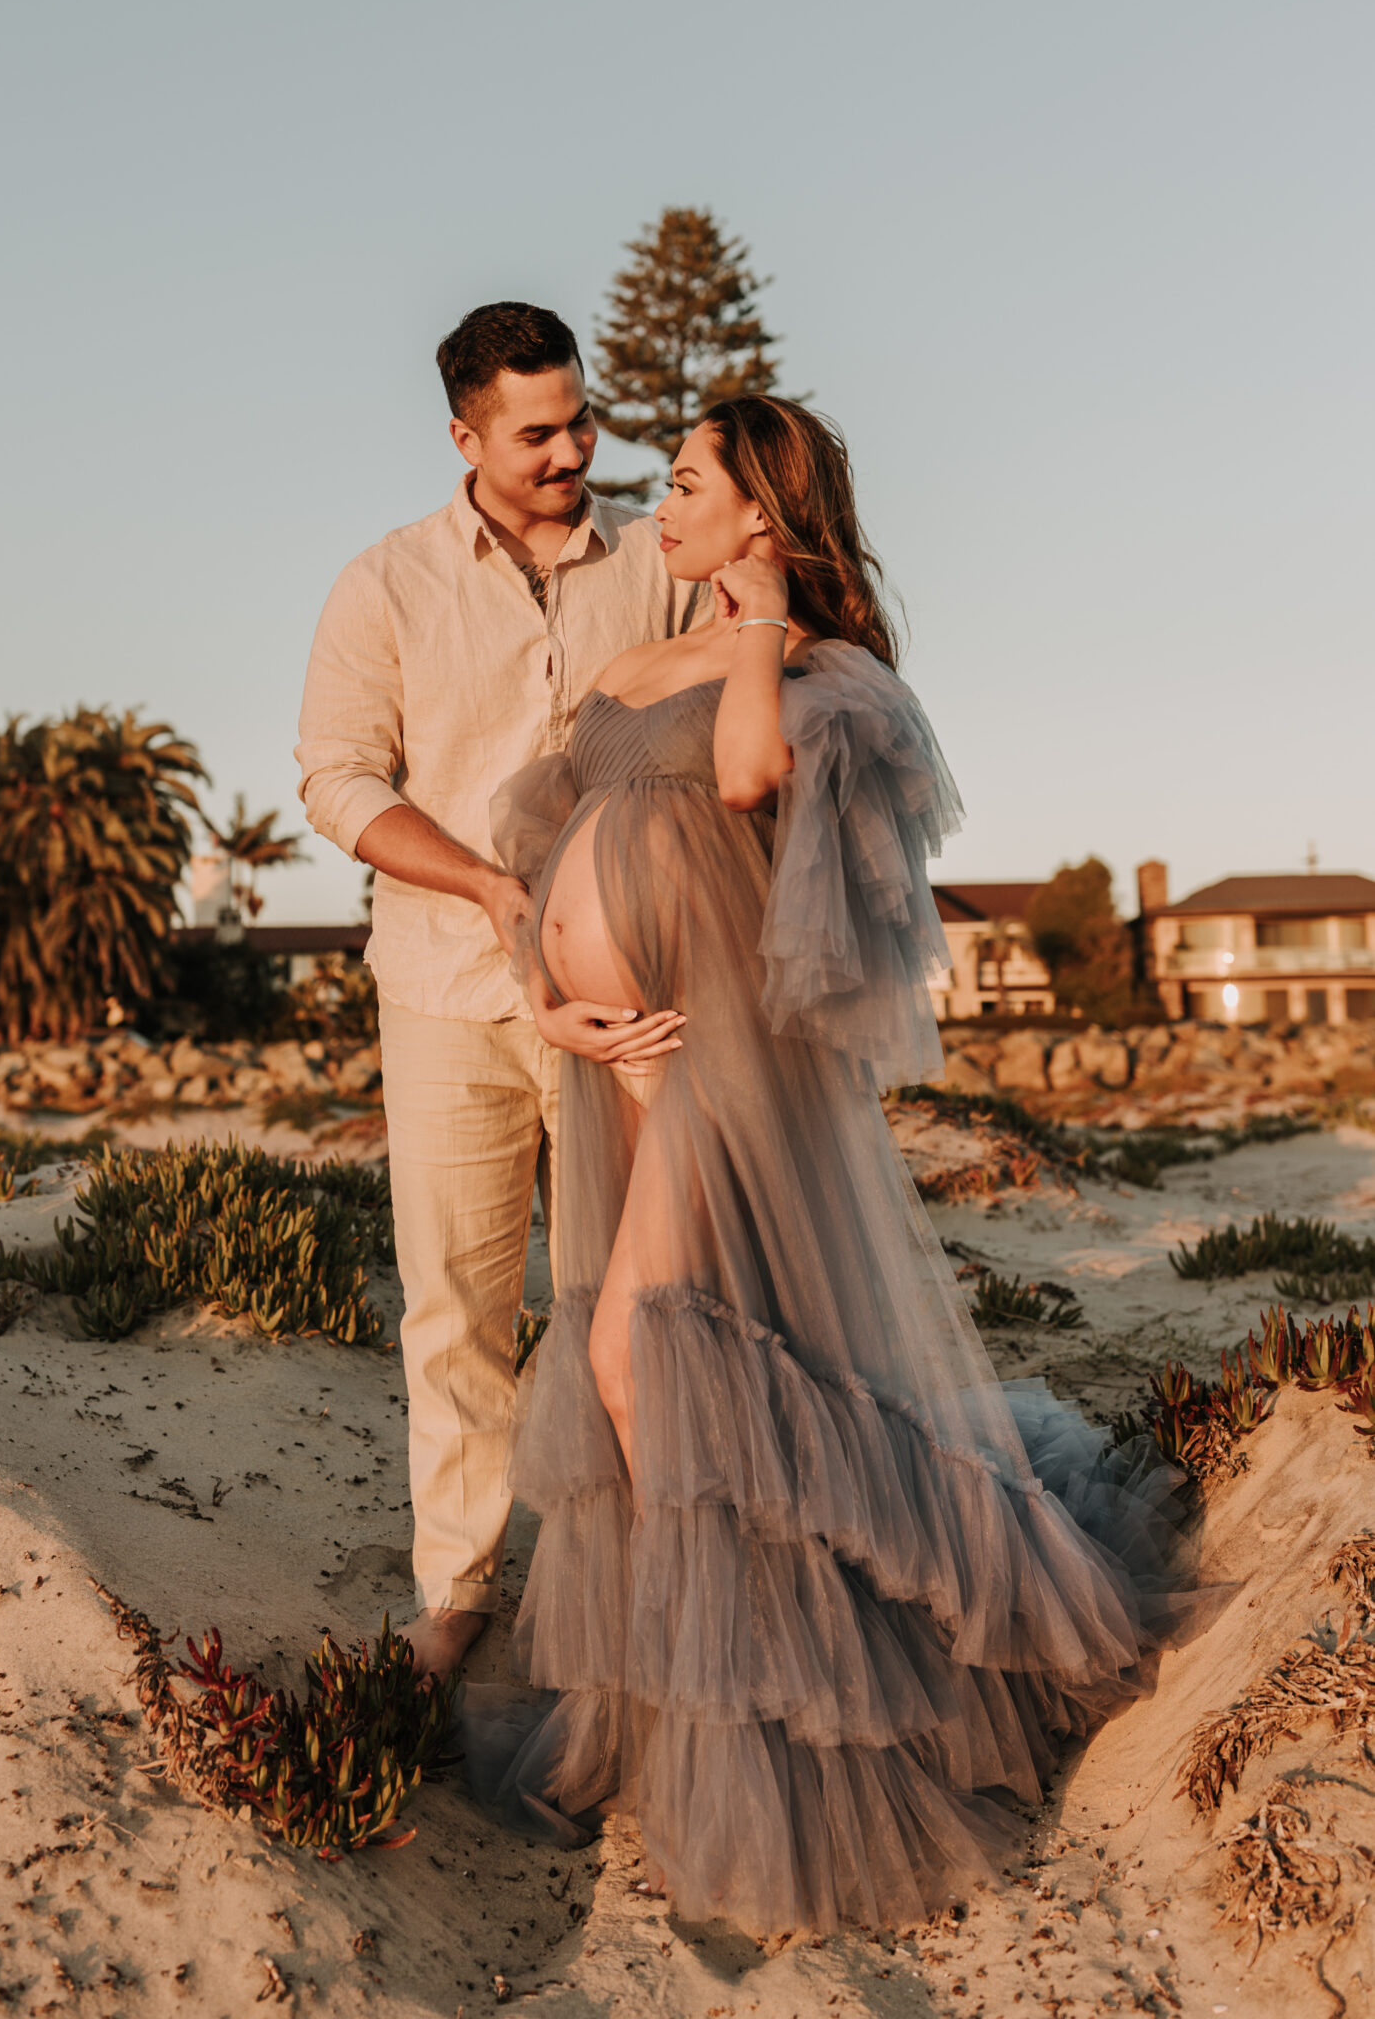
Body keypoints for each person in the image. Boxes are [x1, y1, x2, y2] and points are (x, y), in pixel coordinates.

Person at [472, 393, 1205, 1935]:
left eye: (685, 485)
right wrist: (553, 998)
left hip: (724, 1072)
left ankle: (771, 1752)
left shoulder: (815, 675)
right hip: (620, 1059)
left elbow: (744, 782)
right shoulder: (626, 663)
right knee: (705, 1390)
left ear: (762, 509)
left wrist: (761, 621)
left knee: (635, 1366)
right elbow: (544, 860)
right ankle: (691, 1730)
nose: (652, 504)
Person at [295, 303, 697, 1681]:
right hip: (447, 991)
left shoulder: (653, 567)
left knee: (621, 1298)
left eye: (582, 419)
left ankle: (632, 1580)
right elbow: (338, 779)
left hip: (623, 993)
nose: (573, 450)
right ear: (463, 435)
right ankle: (458, 1587)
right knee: (457, 1303)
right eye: (538, 432)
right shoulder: (385, 584)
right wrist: (486, 885)